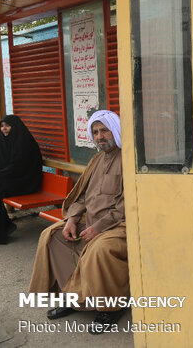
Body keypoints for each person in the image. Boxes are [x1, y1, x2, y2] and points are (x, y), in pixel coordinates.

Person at [28, 110, 128, 334]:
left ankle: (110, 307)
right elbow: (81, 195)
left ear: (116, 130)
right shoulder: (96, 160)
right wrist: (72, 219)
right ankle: (73, 297)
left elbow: (127, 205)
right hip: (88, 220)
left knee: (99, 249)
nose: (100, 136)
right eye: (95, 132)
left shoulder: (129, 159)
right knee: (52, 236)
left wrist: (98, 228)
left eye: (104, 130)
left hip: (119, 226)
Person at [0, 115, 43, 244]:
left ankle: (4, 229)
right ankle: (5, 226)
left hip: (25, 181)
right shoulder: (2, 140)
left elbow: (17, 167)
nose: (4, 129)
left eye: (7, 125)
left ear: (15, 126)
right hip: (9, 179)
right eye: (2, 126)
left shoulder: (24, 142)